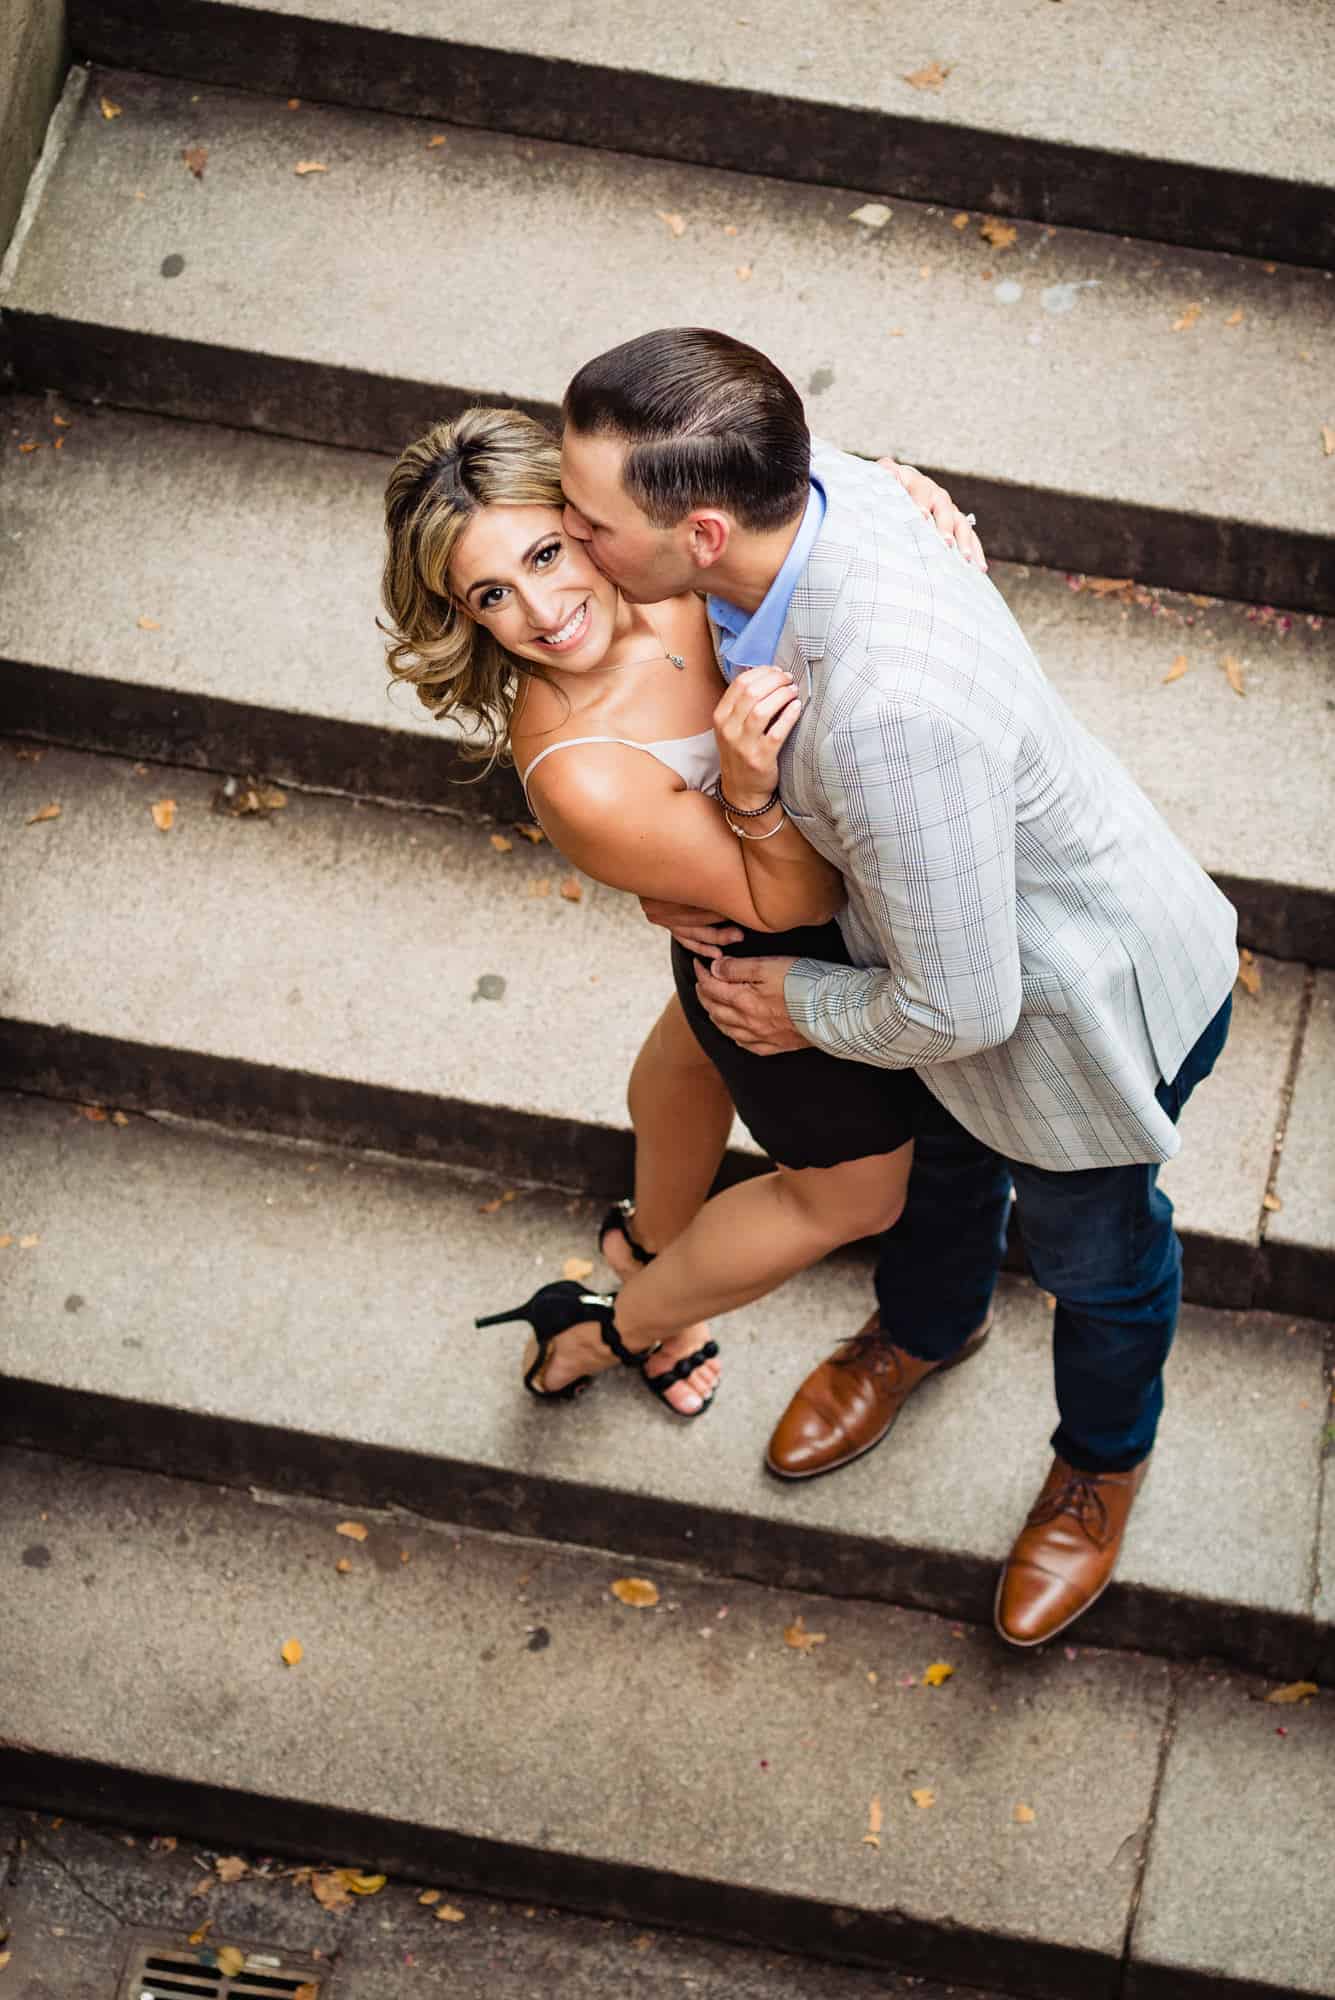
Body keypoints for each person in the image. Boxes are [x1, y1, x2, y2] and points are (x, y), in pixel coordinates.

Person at [555, 327, 1239, 1647]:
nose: (570, 543)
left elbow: (966, 1014)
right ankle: (924, 1329)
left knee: (1099, 1257)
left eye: (583, 525)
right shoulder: (820, 490)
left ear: (700, 534)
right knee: (936, 1167)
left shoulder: (883, 712)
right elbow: (857, 475)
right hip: (937, 950)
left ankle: (1099, 1461)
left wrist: (794, 1009)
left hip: (1071, 1016)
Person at [380, 405, 981, 1419]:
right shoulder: (581, 773)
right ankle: (615, 1325)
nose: (544, 608)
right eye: (493, 594)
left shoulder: (656, 561)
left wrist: (891, 489)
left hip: (753, 909)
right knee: (859, 1190)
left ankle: (650, 1239)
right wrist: (743, 790)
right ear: (466, 615)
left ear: (591, 517)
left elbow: (767, 498)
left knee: (690, 1050)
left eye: (546, 551)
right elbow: (795, 896)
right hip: (766, 945)